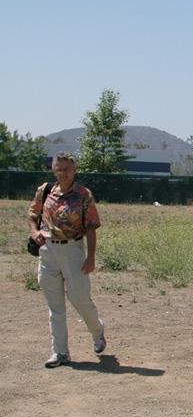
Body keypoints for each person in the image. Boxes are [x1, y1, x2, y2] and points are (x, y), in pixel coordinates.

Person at [27, 152, 106, 368]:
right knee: (55, 307)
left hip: (73, 250)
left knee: (79, 298)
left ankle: (97, 330)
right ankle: (60, 352)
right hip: (48, 251)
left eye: (67, 169)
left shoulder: (83, 194)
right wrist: (34, 231)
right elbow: (32, 214)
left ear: (74, 170)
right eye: (59, 169)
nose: (63, 173)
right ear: (53, 169)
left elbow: (91, 227)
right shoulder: (45, 191)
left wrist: (90, 257)